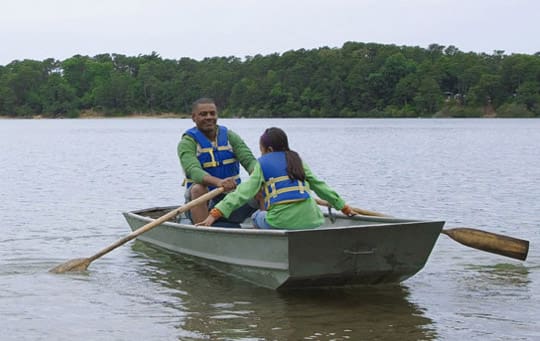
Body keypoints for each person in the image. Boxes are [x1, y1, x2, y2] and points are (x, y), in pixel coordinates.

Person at [197, 127, 354, 229]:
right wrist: (343, 207)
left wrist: (215, 213)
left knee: (256, 216)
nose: (261, 154)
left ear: (269, 149)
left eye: (261, 150)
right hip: (312, 220)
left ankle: (262, 249)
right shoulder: (297, 160)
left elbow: (242, 193)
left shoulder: (263, 164)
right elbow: (321, 187)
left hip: (281, 221)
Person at [178, 97, 258, 226]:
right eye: (203, 114)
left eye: (212, 113)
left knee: (261, 184)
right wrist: (219, 182)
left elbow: (249, 161)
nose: (209, 117)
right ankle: (203, 231)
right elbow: (194, 171)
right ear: (194, 117)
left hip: (232, 199)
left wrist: (259, 175)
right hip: (205, 201)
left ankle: (267, 226)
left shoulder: (230, 136)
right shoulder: (188, 142)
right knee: (198, 188)